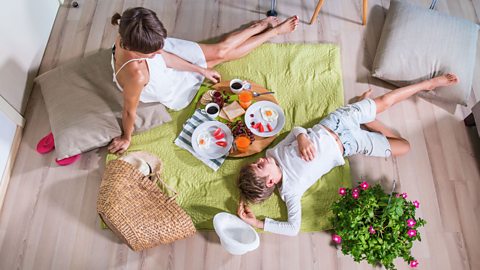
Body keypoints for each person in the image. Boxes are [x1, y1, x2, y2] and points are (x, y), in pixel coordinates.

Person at [236, 73, 459, 236]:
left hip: (338, 121)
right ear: (271, 181)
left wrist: (302, 137)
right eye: (260, 166)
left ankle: (427, 83)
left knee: (385, 101)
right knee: (405, 147)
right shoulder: (291, 191)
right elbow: (293, 228)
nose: (261, 159)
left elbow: (296, 131)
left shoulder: (274, 153)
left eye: (257, 162)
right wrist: (258, 224)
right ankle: (369, 119)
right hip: (351, 144)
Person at [107, 7, 300, 154]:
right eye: (153, 52)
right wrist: (126, 137)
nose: (158, 52)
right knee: (222, 55)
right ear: (137, 49)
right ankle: (269, 31)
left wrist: (200, 69)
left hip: (164, 65)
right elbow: (128, 111)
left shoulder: (128, 33)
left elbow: (163, 56)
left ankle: (261, 28)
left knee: (220, 51)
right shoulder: (136, 76)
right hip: (164, 81)